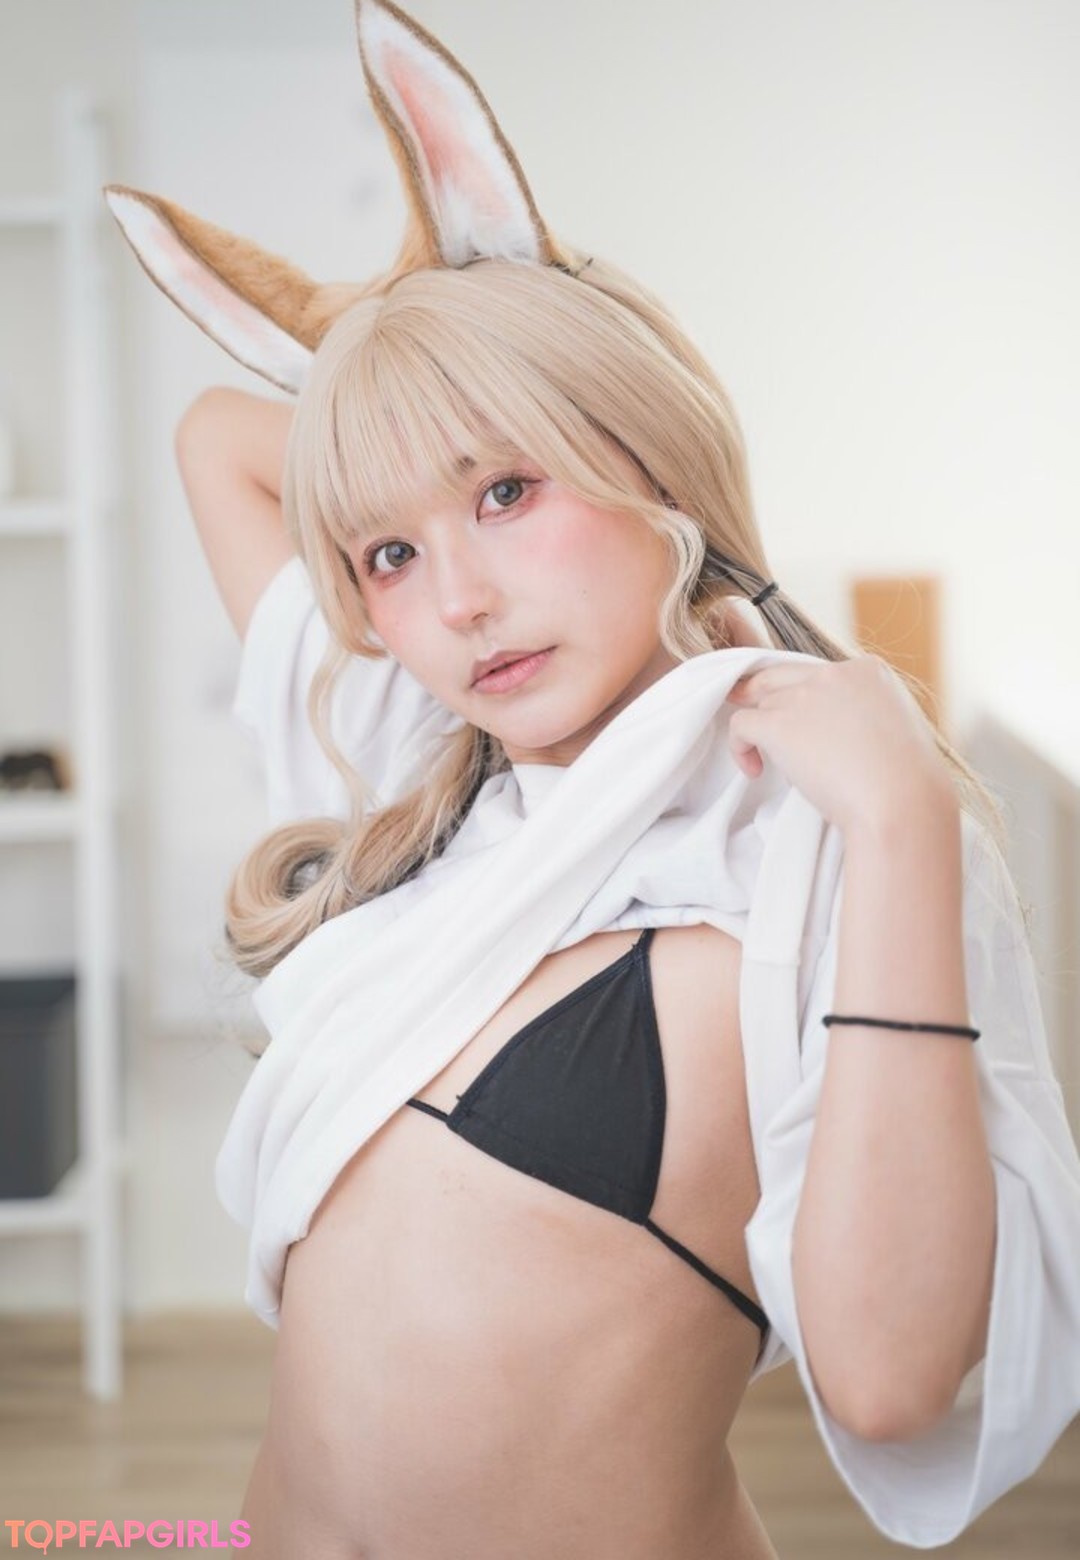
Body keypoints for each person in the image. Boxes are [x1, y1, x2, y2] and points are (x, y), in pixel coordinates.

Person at [107, 2, 1080, 1556]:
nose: (458, 600)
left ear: (648, 452)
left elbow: (894, 1382)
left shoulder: (824, 839)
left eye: (507, 488)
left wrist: (904, 821)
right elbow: (215, 432)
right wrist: (407, 369)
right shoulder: (437, 775)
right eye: (389, 554)